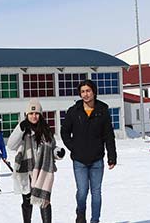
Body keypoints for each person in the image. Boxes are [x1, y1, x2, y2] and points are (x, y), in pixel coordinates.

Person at [60, 79, 116, 223]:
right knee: (82, 192)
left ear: (94, 92)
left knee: (96, 192)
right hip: (79, 160)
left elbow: (109, 135)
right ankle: (81, 214)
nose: (85, 94)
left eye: (88, 91)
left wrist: (112, 156)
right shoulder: (74, 111)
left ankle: (95, 220)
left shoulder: (102, 111)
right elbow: (64, 132)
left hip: (97, 159)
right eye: (83, 91)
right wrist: (73, 147)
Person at [8, 101, 63, 223]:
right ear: (27, 114)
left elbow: (52, 147)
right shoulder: (23, 130)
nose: (34, 116)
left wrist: (58, 152)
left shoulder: (46, 131)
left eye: (37, 113)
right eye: (31, 113)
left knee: (44, 201)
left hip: (43, 171)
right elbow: (11, 145)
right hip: (27, 170)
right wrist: (20, 128)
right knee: (27, 201)